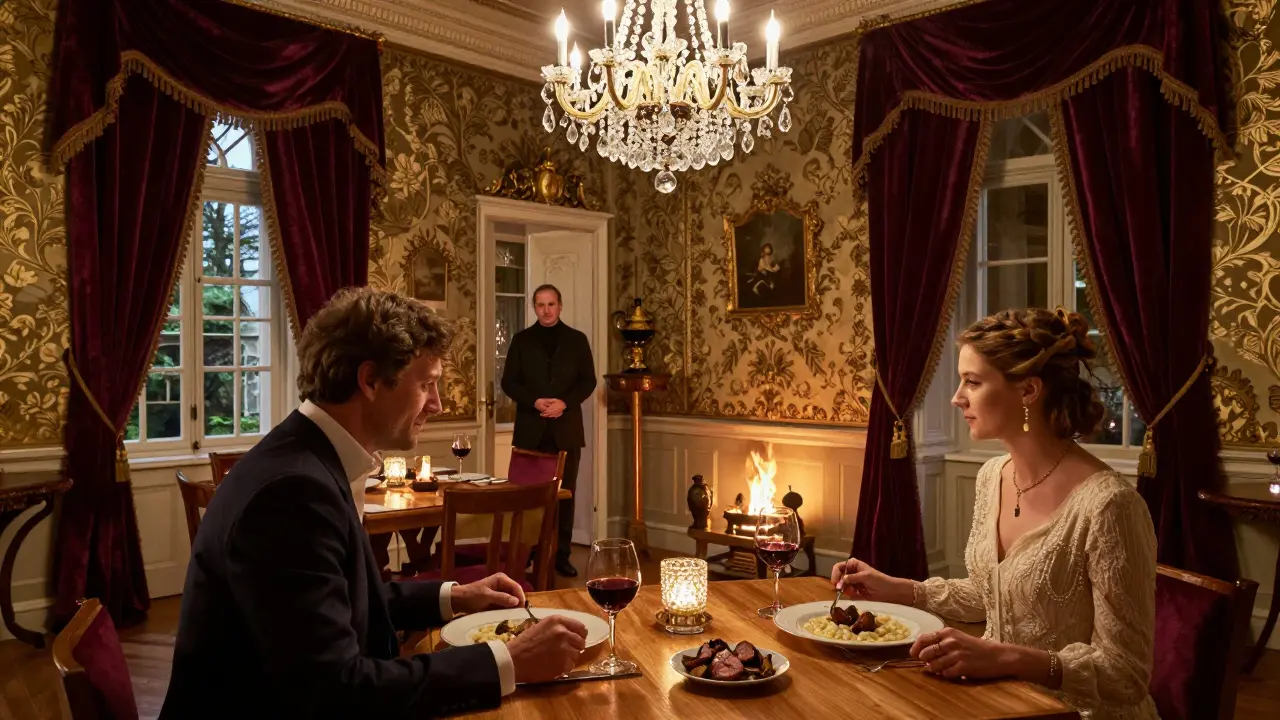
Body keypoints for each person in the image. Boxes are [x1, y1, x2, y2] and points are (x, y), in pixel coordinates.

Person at [161, 287, 588, 719]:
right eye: (426, 385)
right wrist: (508, 662)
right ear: (369, 380)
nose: (437, 405)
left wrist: (455, 597)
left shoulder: (308, 459)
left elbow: (347, 600)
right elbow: (336, 692)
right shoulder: (290, 493)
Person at [831, 308, 1158, 720]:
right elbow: (995, 595)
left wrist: (1004, 658)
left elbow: (1125, 675)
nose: (956, 397)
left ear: (1028, 391)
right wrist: (898, 588)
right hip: (999, 703)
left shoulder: (1109, 506)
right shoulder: (993, 477)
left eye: (973, 381)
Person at [501, 284, 597, 577]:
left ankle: (561, 555)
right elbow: (509, 382)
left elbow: (588, 382)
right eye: (540, 304)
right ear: (534, 307)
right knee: (529, 497)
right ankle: (527, 554)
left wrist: (564, 404)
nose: (546, 309)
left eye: (551, 304)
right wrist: (535, 401)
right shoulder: (521, 340)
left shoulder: (577, 340)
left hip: (566, 431)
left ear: (560, 306)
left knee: (564, 496)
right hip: (531, 432)